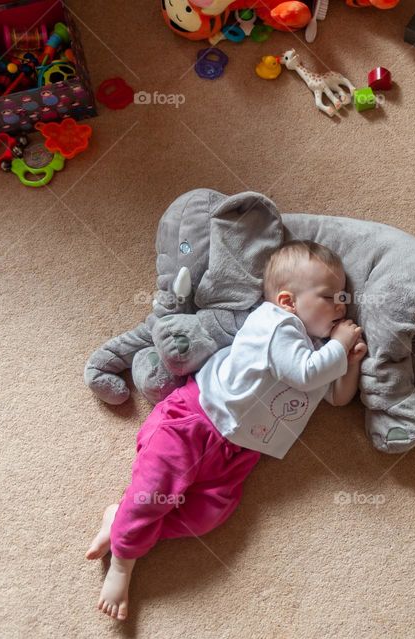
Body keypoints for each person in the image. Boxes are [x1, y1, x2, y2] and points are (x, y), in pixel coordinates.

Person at [86, 240, 367, 620]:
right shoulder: (278, 324)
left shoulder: (318, 351)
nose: (341, 306)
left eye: (343, 298)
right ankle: (124, 561)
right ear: (287, 301)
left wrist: (348, 362)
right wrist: (338, 344)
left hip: (239, 451)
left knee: (210, 513)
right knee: (156, 491)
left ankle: (120, 519)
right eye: (330, 297)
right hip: (195, 421)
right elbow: (304, 373)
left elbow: (336, 398)